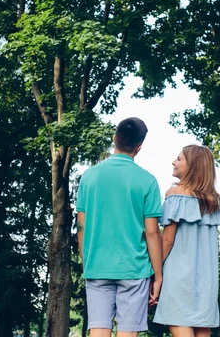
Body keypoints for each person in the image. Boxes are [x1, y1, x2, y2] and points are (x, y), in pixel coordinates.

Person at [76, 117, 163, 337]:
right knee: (128, 331)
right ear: (139, 147)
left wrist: (87, 263)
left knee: (98, 328)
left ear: (114, 138)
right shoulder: (148, 181)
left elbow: (81, 227)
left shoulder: (89, 177)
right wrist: (158, 276)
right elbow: (152, 233)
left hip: (97, 265)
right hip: (134, 269)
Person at [152, 145, 220, 337]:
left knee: (176, 321)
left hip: (178, 277)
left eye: (179, 159)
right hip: (206, 280)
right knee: (202, 329)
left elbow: (167, 241)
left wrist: (153, 273)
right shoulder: (212, 202)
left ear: (192, 165)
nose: (173, 162)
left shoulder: (175, 194)